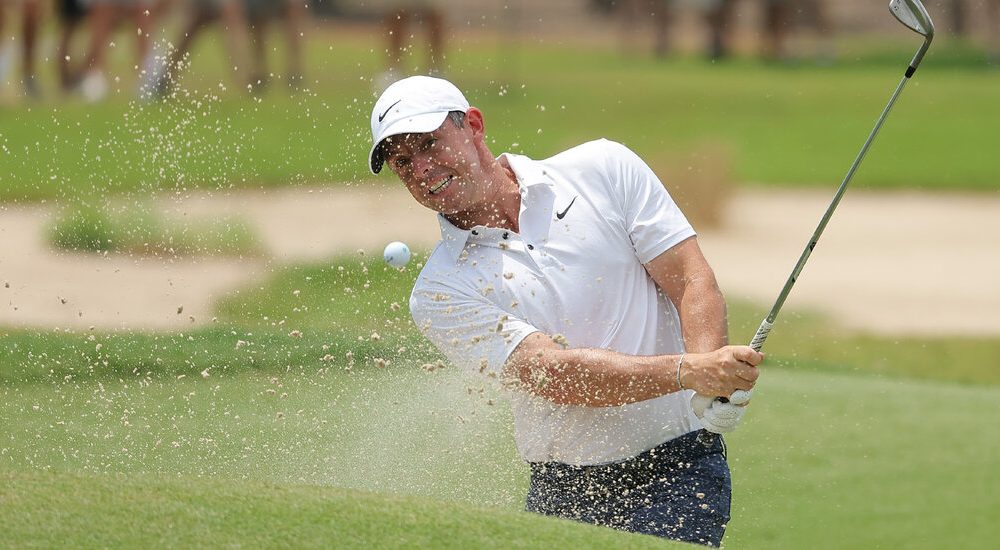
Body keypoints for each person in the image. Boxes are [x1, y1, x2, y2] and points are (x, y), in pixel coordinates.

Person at [367, 75, 763, 547]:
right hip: (565, 494)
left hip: (676, 473)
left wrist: (710, 378)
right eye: (402, 161)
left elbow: (690, 278)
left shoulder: (602, 168)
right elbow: (553, 375)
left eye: (429, 144)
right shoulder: (440, 290)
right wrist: (689, 372)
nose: (421, 169)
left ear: (473, 125)